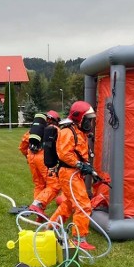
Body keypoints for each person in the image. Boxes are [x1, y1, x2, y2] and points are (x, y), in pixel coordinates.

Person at [49, 101, 97, 251]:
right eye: (88, 120)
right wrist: (79, 164)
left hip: (73, 173)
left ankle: (51, 229)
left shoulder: (78, 132)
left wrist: (85, 166)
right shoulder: (67, 132)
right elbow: (64, 154)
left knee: (69, 203)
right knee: (83, 204)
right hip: (68, 173)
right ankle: (78, 238)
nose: (90, 123)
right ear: (79, 118)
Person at [20, 110, 61, 219]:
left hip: (31, 156)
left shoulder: (34, 131)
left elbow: (23, 145)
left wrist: (29, 157)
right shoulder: (54, 130)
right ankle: (38, 204)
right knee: (54, 186)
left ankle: (38, 213)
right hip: (44, 159)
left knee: (39, 185)